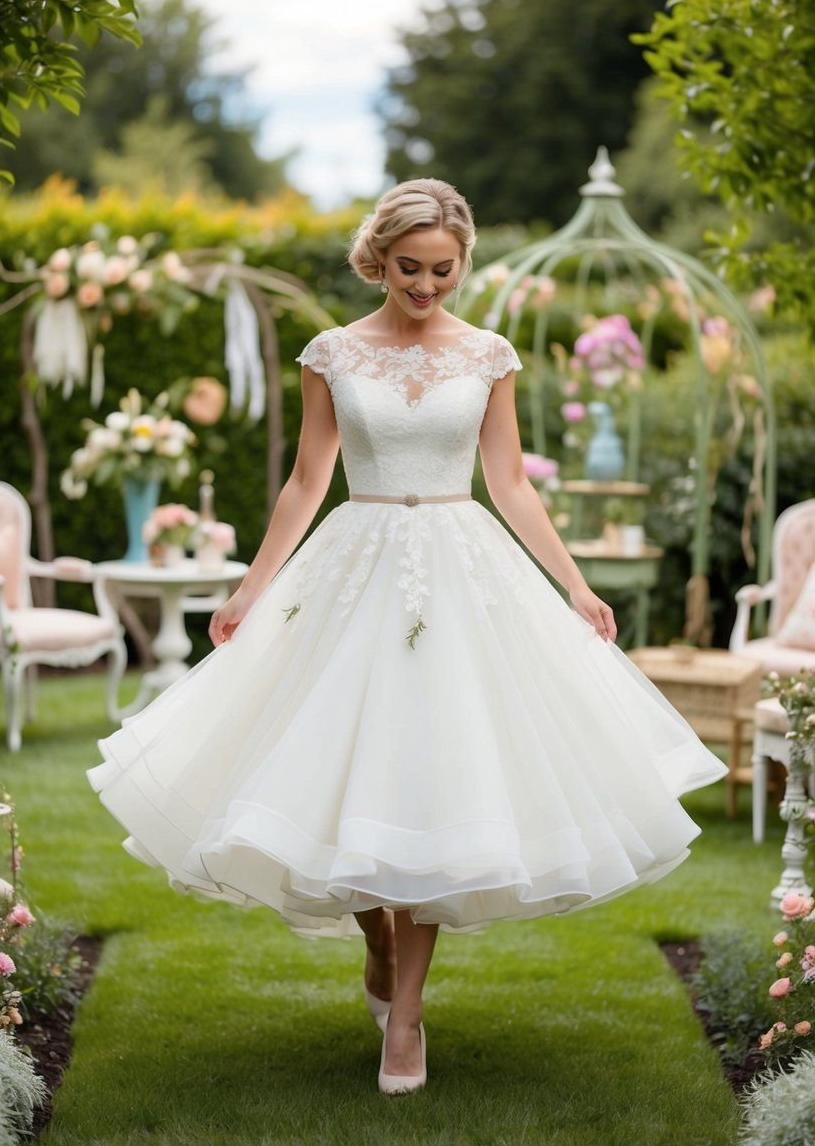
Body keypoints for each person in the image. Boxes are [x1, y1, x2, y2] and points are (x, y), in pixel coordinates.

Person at [89, 178, 726, 1096]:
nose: (426, 285)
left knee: (432, 778)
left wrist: (574, 585)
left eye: (442, 269)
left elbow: (509, 483)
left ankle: (408, 1019)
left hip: (464, 570)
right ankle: (378, 945)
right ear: (376, 260)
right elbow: (307, 483)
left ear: (462, 262)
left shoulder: (490, 355)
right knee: (342, 773)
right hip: (355, 566)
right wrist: (249, 587)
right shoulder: (332, 354)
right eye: (408, 268)